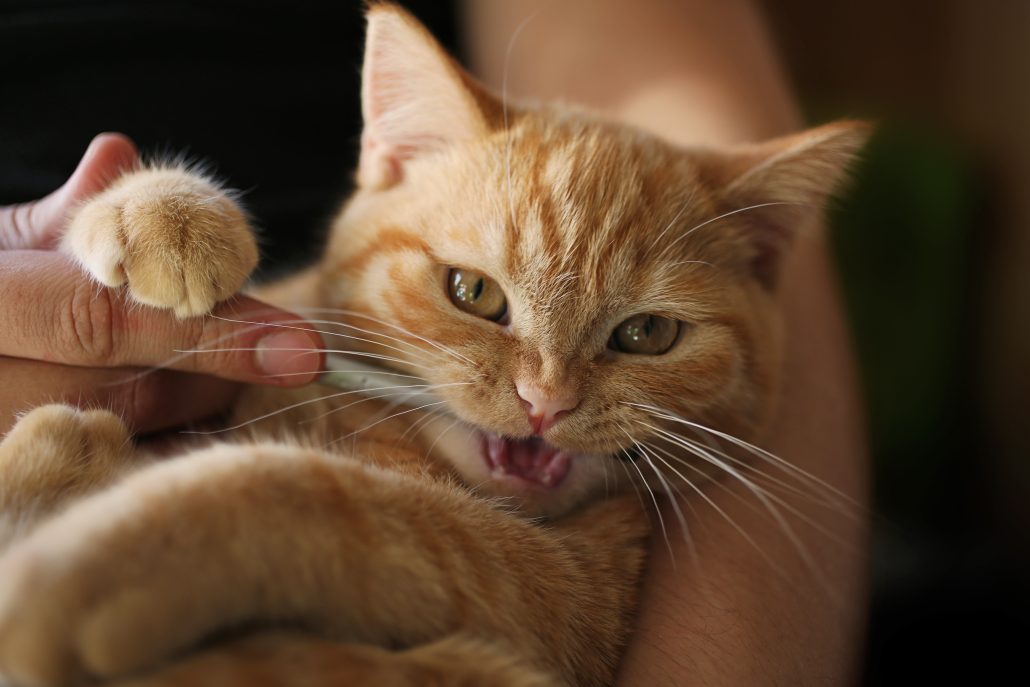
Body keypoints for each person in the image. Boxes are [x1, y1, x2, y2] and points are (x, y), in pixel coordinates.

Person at [0, 0, 868, 683]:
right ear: (397, 158)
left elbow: (556, 628)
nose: (548, 390)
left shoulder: (616, 520)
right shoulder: (319, 329)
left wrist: (264, 518)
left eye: (645, 332)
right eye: (475, 292)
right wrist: (146, 228)